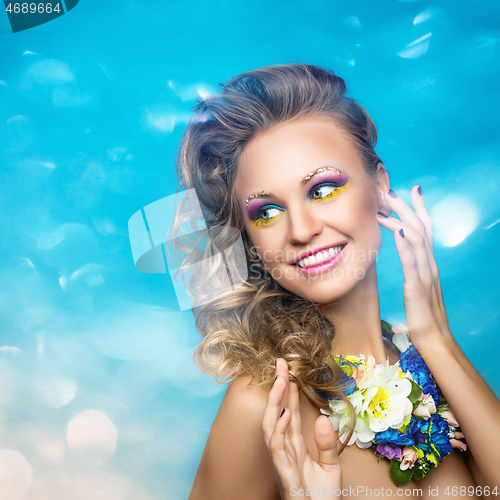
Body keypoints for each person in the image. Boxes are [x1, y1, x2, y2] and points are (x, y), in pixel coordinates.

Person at [171, 63, 500, 499]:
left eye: (322, 188)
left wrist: (437, 339)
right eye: (266, 211)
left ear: (379, 185)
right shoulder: (265, 405)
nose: (302, 229)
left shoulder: (429, 366)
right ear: (250, 239)